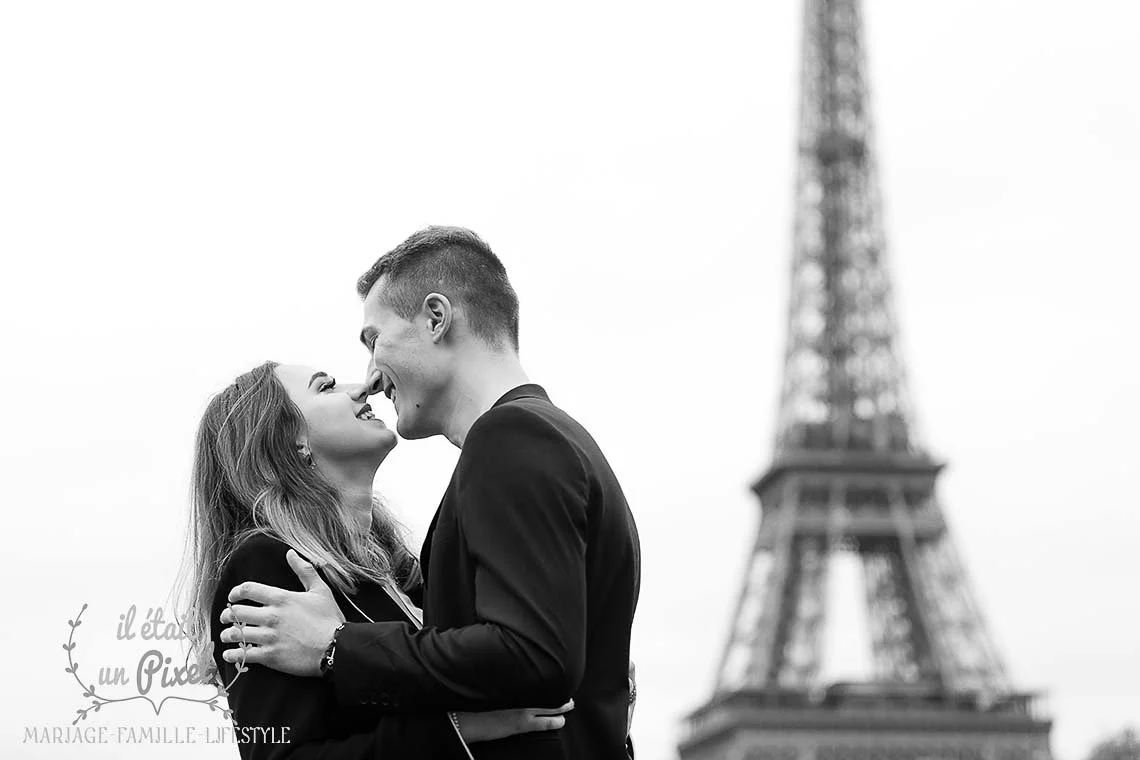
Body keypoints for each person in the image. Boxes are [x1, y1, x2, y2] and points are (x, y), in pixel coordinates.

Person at [219, 227, 641, 759]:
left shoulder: (511, 438)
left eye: (374, 339)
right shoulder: (546, 439)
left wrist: (336, 647)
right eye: (326, 386)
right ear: (288, 441)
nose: (368, 378)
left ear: (436, 318)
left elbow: (533, 653)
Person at [181, 360, 570, 758]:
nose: (361, 387)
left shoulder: (399, 568)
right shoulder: (268, 563)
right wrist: (455, 728)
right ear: (291, 442)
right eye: (325, 387)